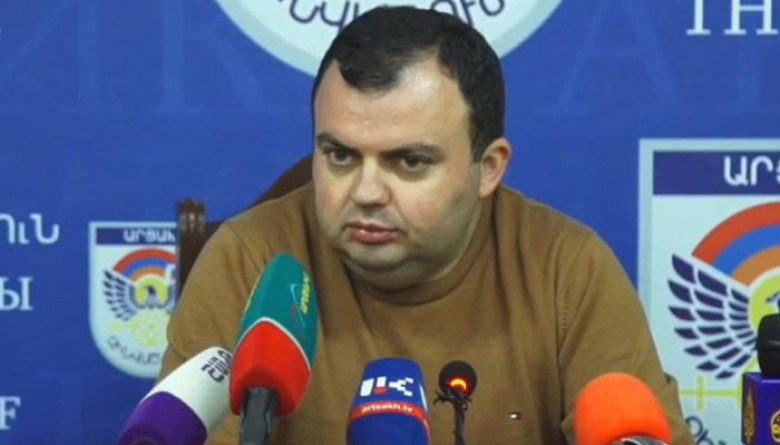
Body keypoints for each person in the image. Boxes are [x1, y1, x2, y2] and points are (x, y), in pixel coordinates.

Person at [159, 6, 694, 444]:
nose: (366, 192)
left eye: (409, 161)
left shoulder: (567, 272)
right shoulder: (249, 261)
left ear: (489, 168)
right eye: (340, 155)